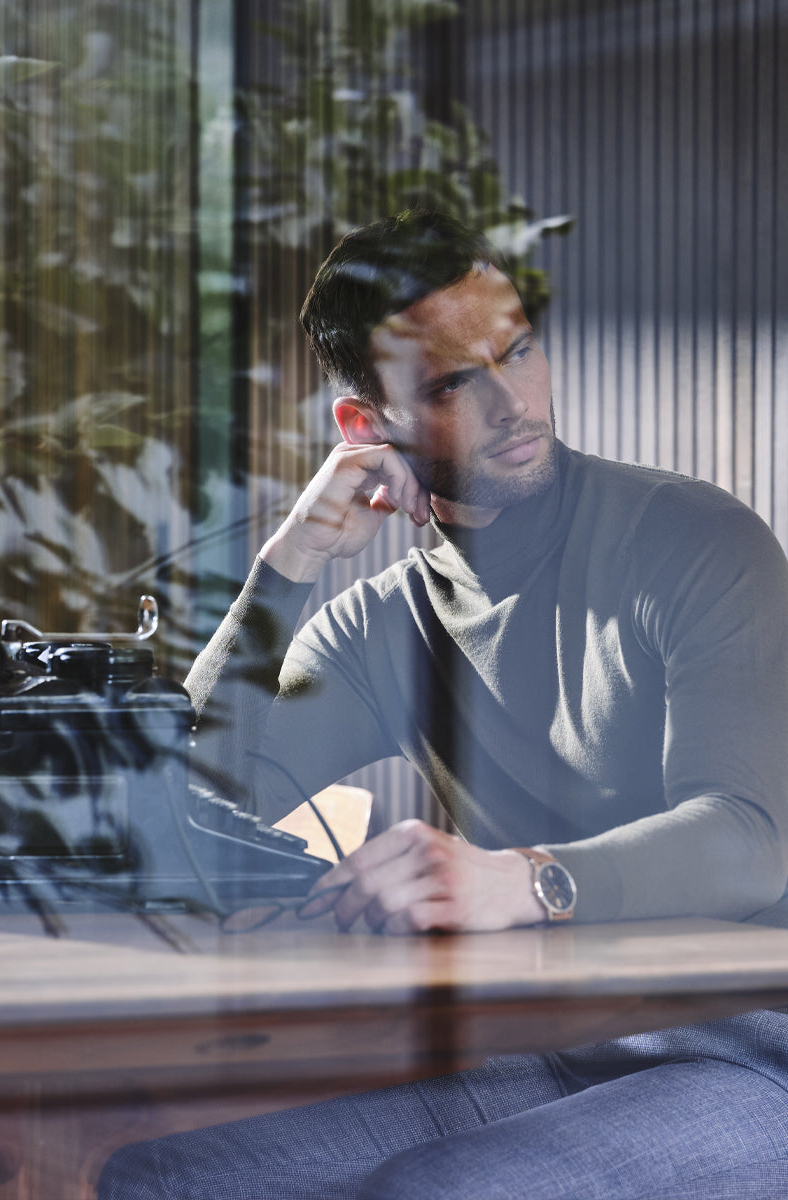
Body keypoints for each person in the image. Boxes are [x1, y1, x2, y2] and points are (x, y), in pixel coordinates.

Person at [96, 209, 788, 1199]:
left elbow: (750, 838)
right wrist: (284, 566)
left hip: (755, 1055)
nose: (514, 403)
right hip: (554, 1048)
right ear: (366, 425)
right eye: (458, 381)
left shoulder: (693, 540)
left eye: (521, 352)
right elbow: (184, 803)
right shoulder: (379, 625)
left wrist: (523, 882)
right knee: (164, 1179)